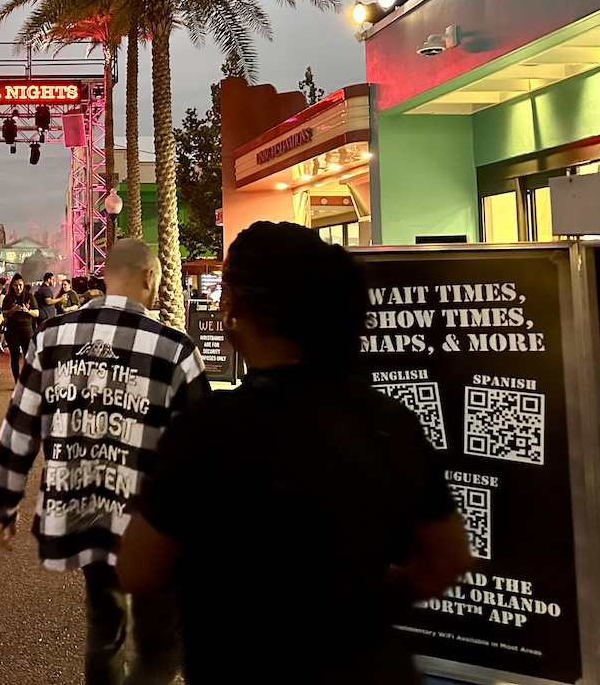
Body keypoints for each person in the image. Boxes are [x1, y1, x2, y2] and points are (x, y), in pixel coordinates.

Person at [118, 222, 474, 685]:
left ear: (239, 308)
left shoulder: (212, 431)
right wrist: (363, 599)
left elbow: (138, 569)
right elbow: (447, 559)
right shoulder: (390, 420)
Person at [0, 238, 209, 685]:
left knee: (103, 627)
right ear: (150, 277)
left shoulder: (51, 339)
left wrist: (4, 505)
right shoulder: (174, 350)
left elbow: (20, 428)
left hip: (84, 511)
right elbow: (202, 448)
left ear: (107, 277)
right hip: (151, 523)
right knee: (161, 643)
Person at [0, 273, 38, 382]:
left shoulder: (29, 297)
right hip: (12, 330)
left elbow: (37, 313)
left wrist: (27, 311)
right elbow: (4, 314)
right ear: (12, 286)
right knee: (15, 356)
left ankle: (27, 379)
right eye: (16, 285)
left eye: (21, 285)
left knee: (28, 355)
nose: (19, 288)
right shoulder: (8, 298)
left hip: (27, 329)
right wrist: (13, 310)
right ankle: (17, 380)